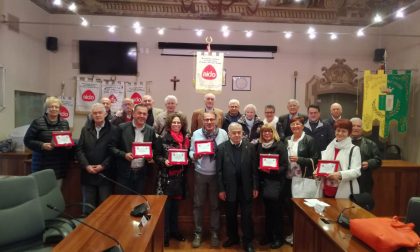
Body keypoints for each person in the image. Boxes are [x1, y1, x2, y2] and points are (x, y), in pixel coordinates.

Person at [189, 111, 228, 248]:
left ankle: (215, 233)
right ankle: (198, 232)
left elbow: (226, 152)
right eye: (207, 120)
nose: (209, 122)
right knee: (198, 205)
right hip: (200, 173)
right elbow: (191, 151)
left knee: (215, 206)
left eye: (212, 119)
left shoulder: (223, 133)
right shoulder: (196, 134)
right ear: (203, 121)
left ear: (216, 121)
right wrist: (195, 155)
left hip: (216, 175)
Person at [217, 122, 259, 252]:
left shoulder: (250, 147)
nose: (236, 135)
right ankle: (233, 237)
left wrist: (255, 187)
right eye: (233, 132)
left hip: (246, 188)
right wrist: (221, 189)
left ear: (242, 133)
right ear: (228, 134)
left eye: (239, 132)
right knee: (230, 215)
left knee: (247, 216)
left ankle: (248, 241)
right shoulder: (221, 148)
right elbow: (219, 171)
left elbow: (254, 170)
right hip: (229, 189)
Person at [284, 116, 320, 245]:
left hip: (303, 179)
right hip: (288, 178)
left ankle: (303, 234)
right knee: (290, 208)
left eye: (298, 124)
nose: (295, 126)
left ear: (303, 126)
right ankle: (294, 232)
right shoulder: (287, 139)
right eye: (292, 124)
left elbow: (315, 159)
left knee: (303, 208)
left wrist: (299, 159)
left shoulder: (309, 140)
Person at [155, 113, 190, 247]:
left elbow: (189, 154)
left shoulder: (186, 139)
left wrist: (188, 160)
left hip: (180, 177)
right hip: (166, 178)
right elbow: (156, 155)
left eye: (179, 123)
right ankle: (165, 234)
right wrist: (165, 161)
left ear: (182, 124)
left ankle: (175, 231)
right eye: (174, 123)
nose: (176, 125)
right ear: (169, 124)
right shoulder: (162, 138)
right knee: (166, 208)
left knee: (176, 208)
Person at [76, 103, 116, 214]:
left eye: (100, 112)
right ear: (91, 115)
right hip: (88, 174)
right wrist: (86, 165)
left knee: (105, 209)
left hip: (105, 174)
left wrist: (103, 166)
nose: (97, 115)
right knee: (88, 208)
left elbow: (113, 152)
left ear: (106, 114)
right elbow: (79, 150)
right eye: (95, 113)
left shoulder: (113, 130)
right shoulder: (85, 129)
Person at [110, 104, 159, 194]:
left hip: (141, 174)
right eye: (139, 113)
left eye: (144, 114)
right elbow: (111, 148)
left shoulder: (150, 130)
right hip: (124, 173)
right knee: (123, 202)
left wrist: (151, 155)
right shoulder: (122, 127)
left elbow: (155, 149)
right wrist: (124, 155)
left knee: (137, 202)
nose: (142, 116)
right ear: (133, 114)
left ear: (147, 116)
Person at [24, 96, 72, 186]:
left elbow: (66, 139)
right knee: (41, 194)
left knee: (56, 194)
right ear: (47, 108)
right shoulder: (37, 122)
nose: (54, 109)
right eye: (51, 106)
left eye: (56, 107)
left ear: (60, 109)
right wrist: (42, 145)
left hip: (59, 166)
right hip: (41, 166)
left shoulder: (64, 123)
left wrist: (68, 145)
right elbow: (27, 141)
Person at [256, 124, 289, 249]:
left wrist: (272, 171)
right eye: (264, 132)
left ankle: (278, 238)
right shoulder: (259, 146)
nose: (266, 134)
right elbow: (257, 163)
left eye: (269, 131)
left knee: (277, 213)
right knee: (268, 212)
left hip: (277, 184)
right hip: (264, 184)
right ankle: (268, 236)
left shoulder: (280, 146)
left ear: (273, 133)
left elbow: (284, 166)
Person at [317, 119, 362, 199]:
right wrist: (317, 170)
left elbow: (356, 171)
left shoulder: (354, 149)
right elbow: (324, 163)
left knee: (341, 211)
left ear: (349, 133)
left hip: (344, 189)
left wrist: (339, 174)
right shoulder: (330, 146)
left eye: (344, 131)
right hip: (326, 188)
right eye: (338, 130)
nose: (340, 133)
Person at [350, 117, 382, 194]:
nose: (356, 128)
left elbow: (378, 160)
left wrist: (369, 163)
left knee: (360, 204)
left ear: (362, 128)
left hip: (363, 180)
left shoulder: (370, 144)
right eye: (353, 126)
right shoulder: (342, 143)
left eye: (358, 126)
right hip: (346, 180)